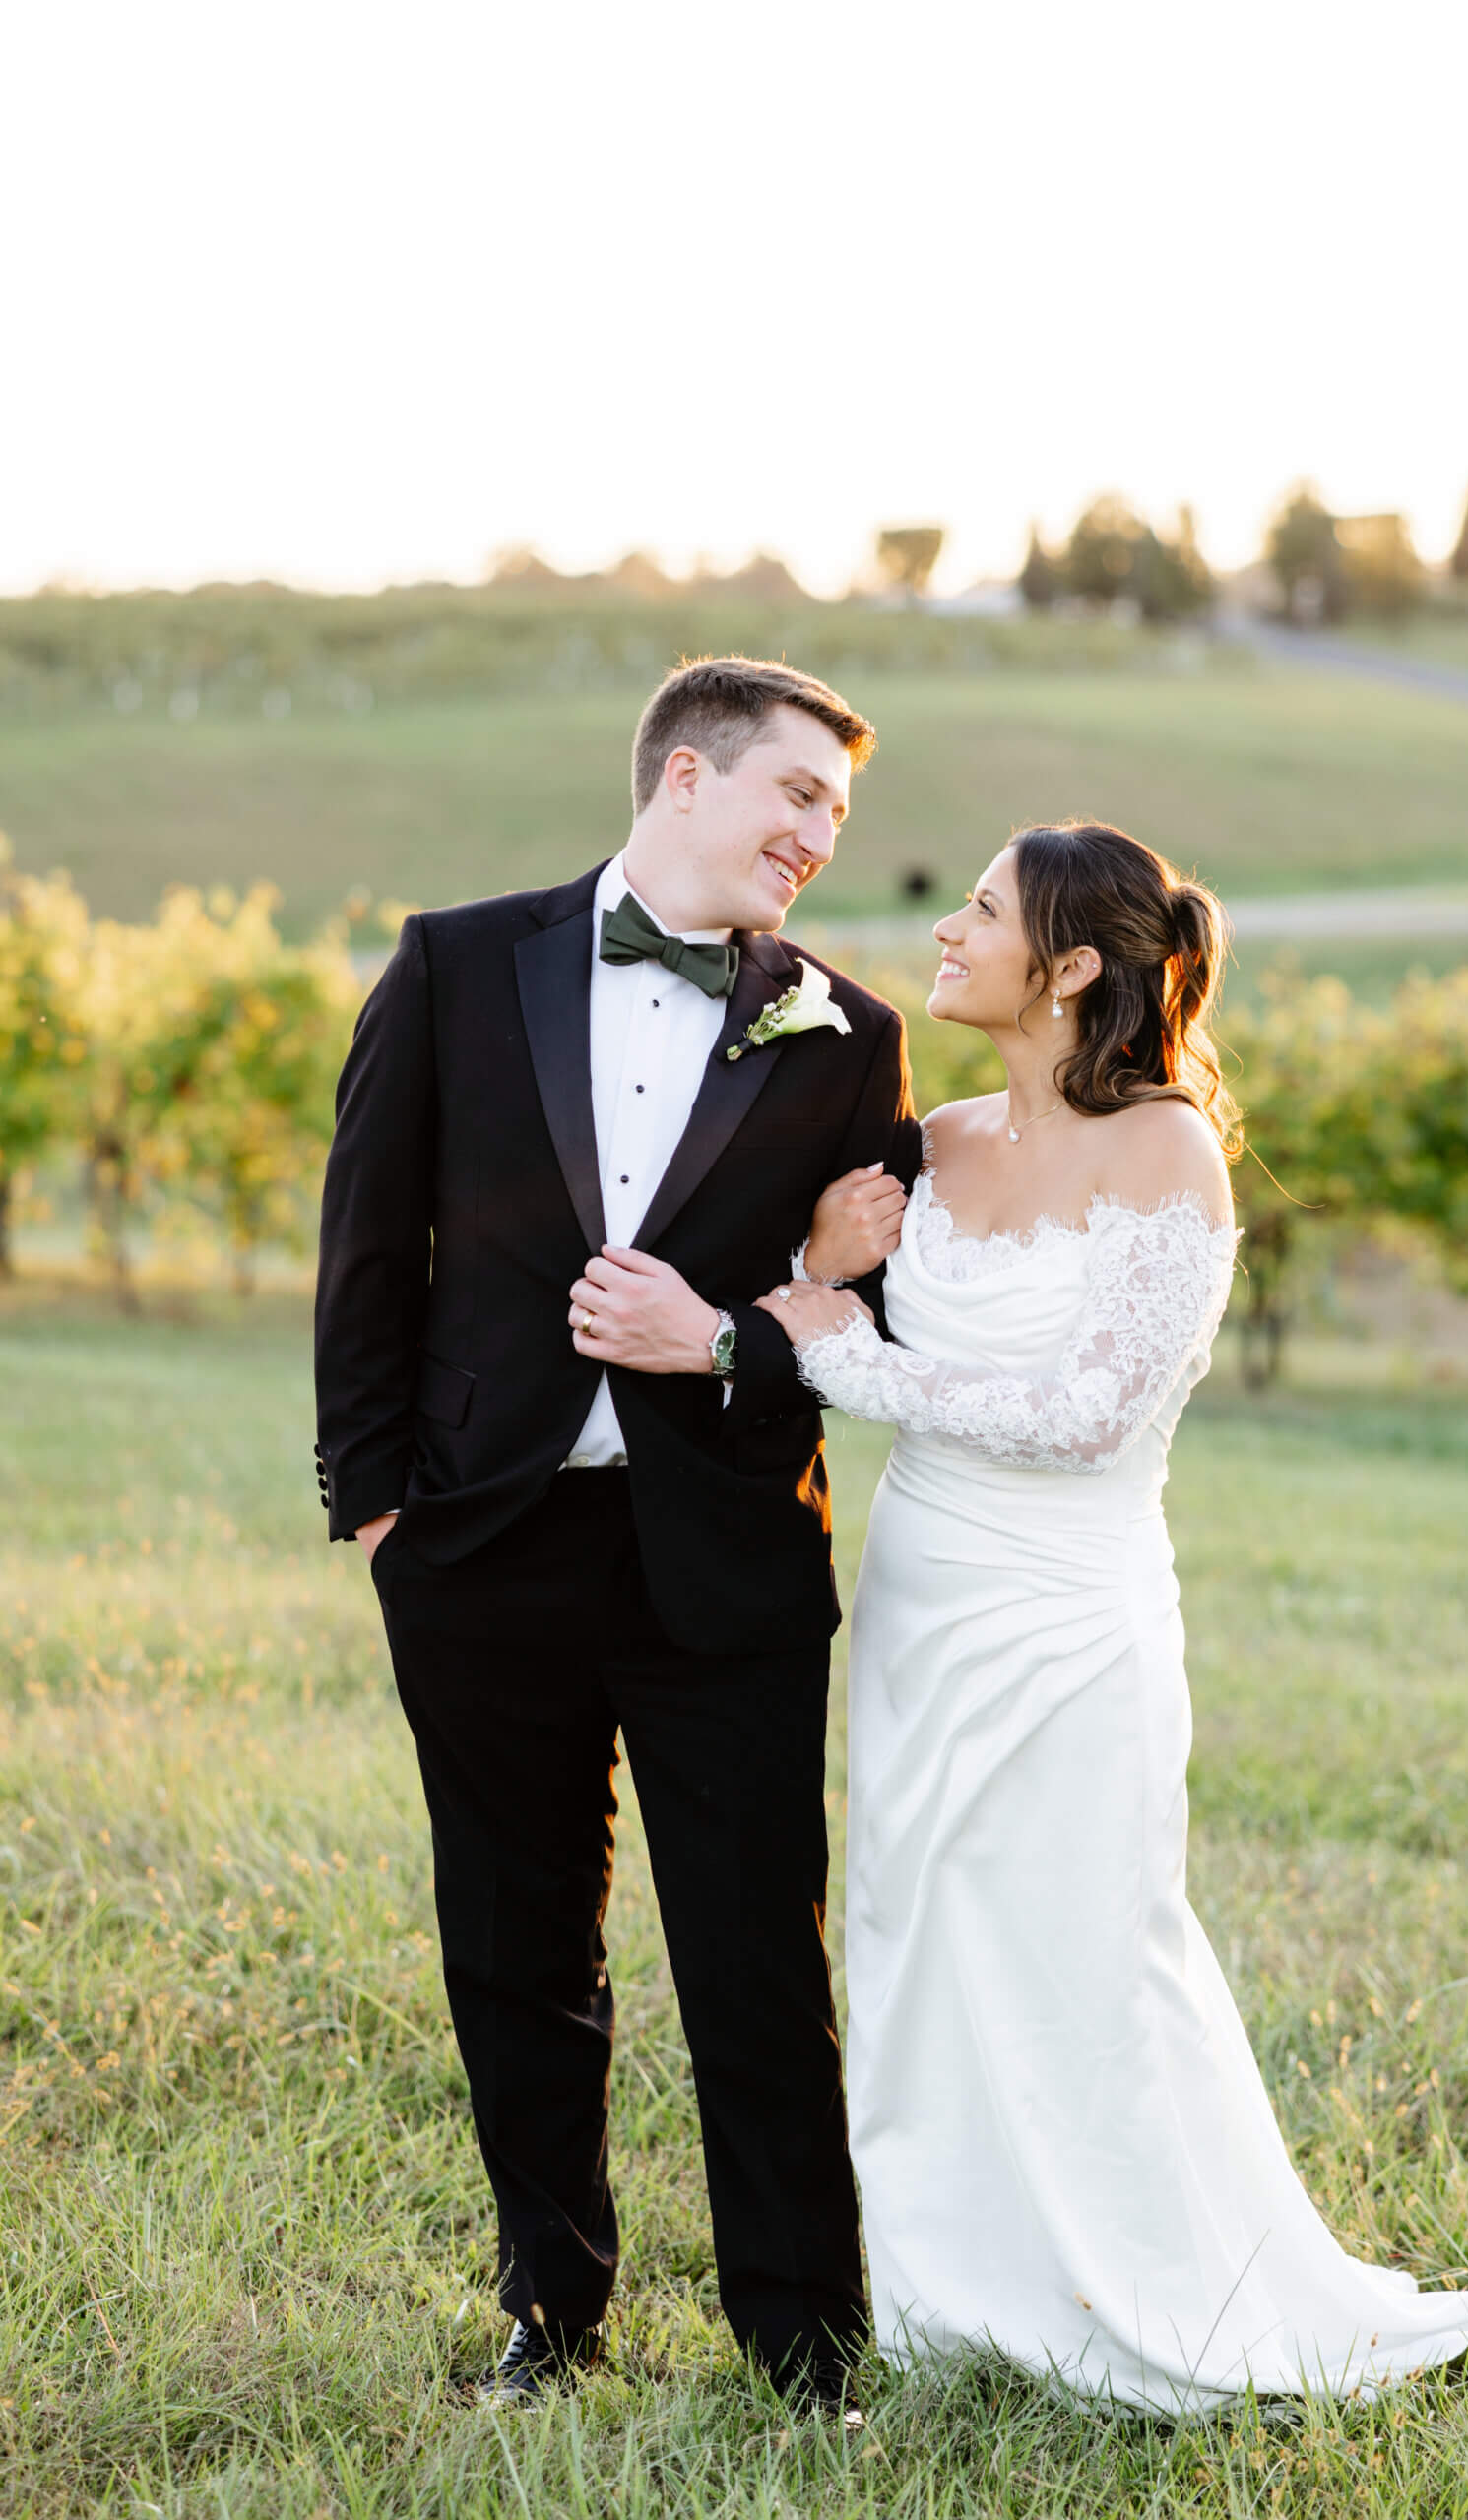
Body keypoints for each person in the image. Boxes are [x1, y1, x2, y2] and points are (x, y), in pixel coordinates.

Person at [769, 820, 1468, 2411]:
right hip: (923, 1602)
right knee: (922, 1939)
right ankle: (946, 2301)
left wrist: (835, 1346)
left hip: (1071, 1619)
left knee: (1084, 1948)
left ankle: (1149, 2290)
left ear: (1073, 968)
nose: (947, 931)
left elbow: (1090, 1412)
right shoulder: (942, 1139)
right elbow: (839, 1296)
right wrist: (826, 1267)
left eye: (982, 912)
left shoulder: (1168, 1151)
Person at [312, 656, 918, 2411]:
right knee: (515, 1945)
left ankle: (806, 2341)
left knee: (753, 1953)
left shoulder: (850, 1034)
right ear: (684, 777)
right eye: (796, 795)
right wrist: (377, 1510)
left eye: (838, 815)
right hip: (482, 1547)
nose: (818, 837)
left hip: (723, 1555)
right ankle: (552, 2313)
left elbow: (847, 1312)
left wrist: (771, 1303)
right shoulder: (455, 964)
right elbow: (369, 1250)